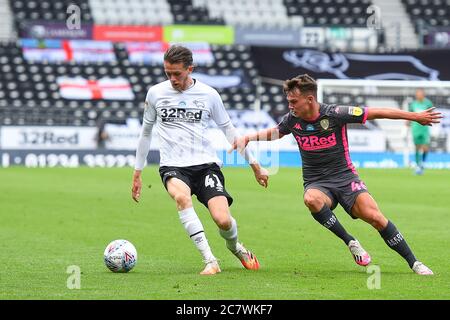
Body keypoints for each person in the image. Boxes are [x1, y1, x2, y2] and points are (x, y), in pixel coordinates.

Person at [231, 74, 442, 275]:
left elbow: (377, 112)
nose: (290, 105)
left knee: (376, 218)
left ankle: (414, 263)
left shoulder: (336, 113)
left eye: (294, 101)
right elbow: (276, 133)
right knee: (310, 199)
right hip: (317, 182)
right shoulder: (291, 120)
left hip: (346, 178)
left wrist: (415, 116)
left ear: (310, 99)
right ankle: (351, 241)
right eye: (289, 101)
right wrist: (249, 137)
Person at [131, 45, 268, 275]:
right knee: (182, 199)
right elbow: (146, 133)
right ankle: (211, 261)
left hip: (206, 166)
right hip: (173, 167)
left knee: (223, 220)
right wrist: (137, 172)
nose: (172, 79)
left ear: (190, 69)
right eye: (168, 73)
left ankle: (235, 247)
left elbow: (230, 131)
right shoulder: (155, 93)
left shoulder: (209, 94)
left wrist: (255, 165)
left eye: (177, 73)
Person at [408, 88, 434, 175]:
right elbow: (409, 114)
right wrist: (407, 123)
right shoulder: (413, 104)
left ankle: (422, 163)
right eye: (417, 93)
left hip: (425, 129)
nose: (418, 95)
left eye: (420, 93)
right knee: (417, 147)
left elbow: (432, 113)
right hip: (415, 128)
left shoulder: (428, 103)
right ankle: (418, 166)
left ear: (423, 94)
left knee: (425, 148)